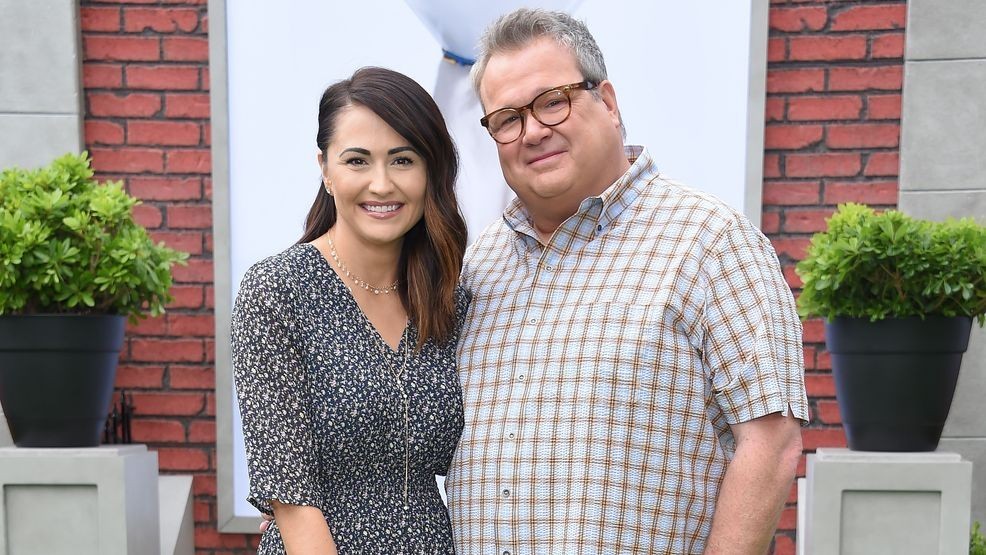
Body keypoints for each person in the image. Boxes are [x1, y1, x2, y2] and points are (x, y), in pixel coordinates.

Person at [445, 9, 809, 555]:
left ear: (609, 103)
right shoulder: (480, 266)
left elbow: (771, 441)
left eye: (552, 101)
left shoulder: (710, 241)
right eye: (507, 119)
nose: (533, 131)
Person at [232, 66, 468, 554]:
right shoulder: (277, 292)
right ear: (325, 169)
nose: (381, 184)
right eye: (358, 160)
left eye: (402, 160)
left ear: (430, 170)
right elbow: (291, 498)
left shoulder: (448, 297)